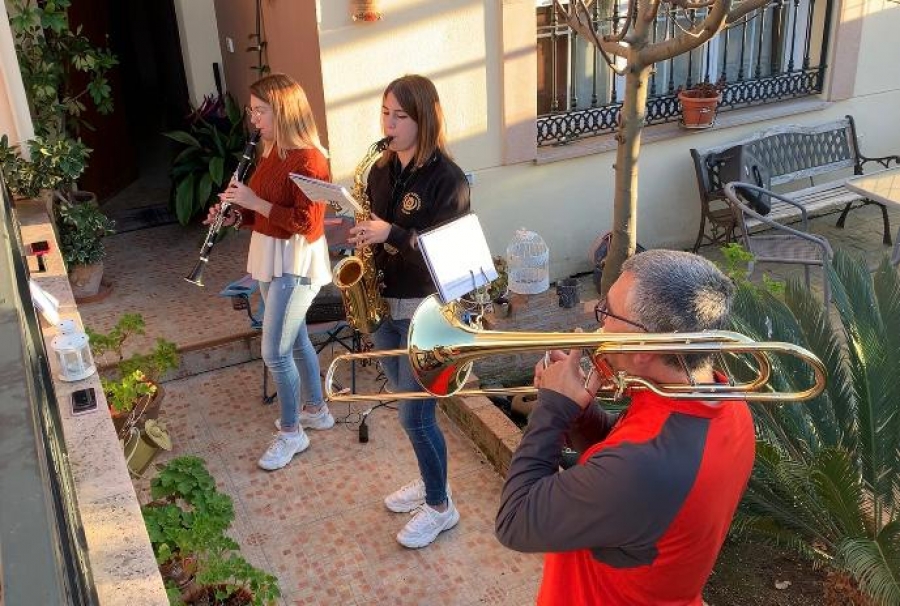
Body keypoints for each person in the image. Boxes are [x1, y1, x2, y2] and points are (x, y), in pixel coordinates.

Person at [495, 250, 756, 605]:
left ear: (644, 345)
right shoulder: (724, 404)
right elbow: (618, 468)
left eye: (608, 313)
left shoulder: (645, 467)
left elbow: (515, 521)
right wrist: (579, 414)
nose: (599, 327)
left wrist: (552, 408)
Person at [348, 74, 470, 548]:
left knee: (415, 417)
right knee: (411, 412)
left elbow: (451, 255)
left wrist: (391, 233)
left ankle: (441, 506)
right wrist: (361, 241)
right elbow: (372, 228)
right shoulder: (380, 171)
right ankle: (429, 478)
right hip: (383, 305)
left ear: (424, 118)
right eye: (385, 113)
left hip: (426, 310)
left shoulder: (448, 180)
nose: (390, 124)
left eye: (401, 116)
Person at [206, 73, 335, 471]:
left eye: (260, 111)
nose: (253, 119)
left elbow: (307, 224)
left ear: (282, 111)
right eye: (252, 110)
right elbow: (261, 208)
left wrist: (253, 202)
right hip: (268, 254)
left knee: (274, 353)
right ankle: (316, 410)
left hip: (295, 264)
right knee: (295, 342)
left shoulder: (311, 159)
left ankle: (292, 431)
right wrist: (233, 216)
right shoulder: (270, 150)